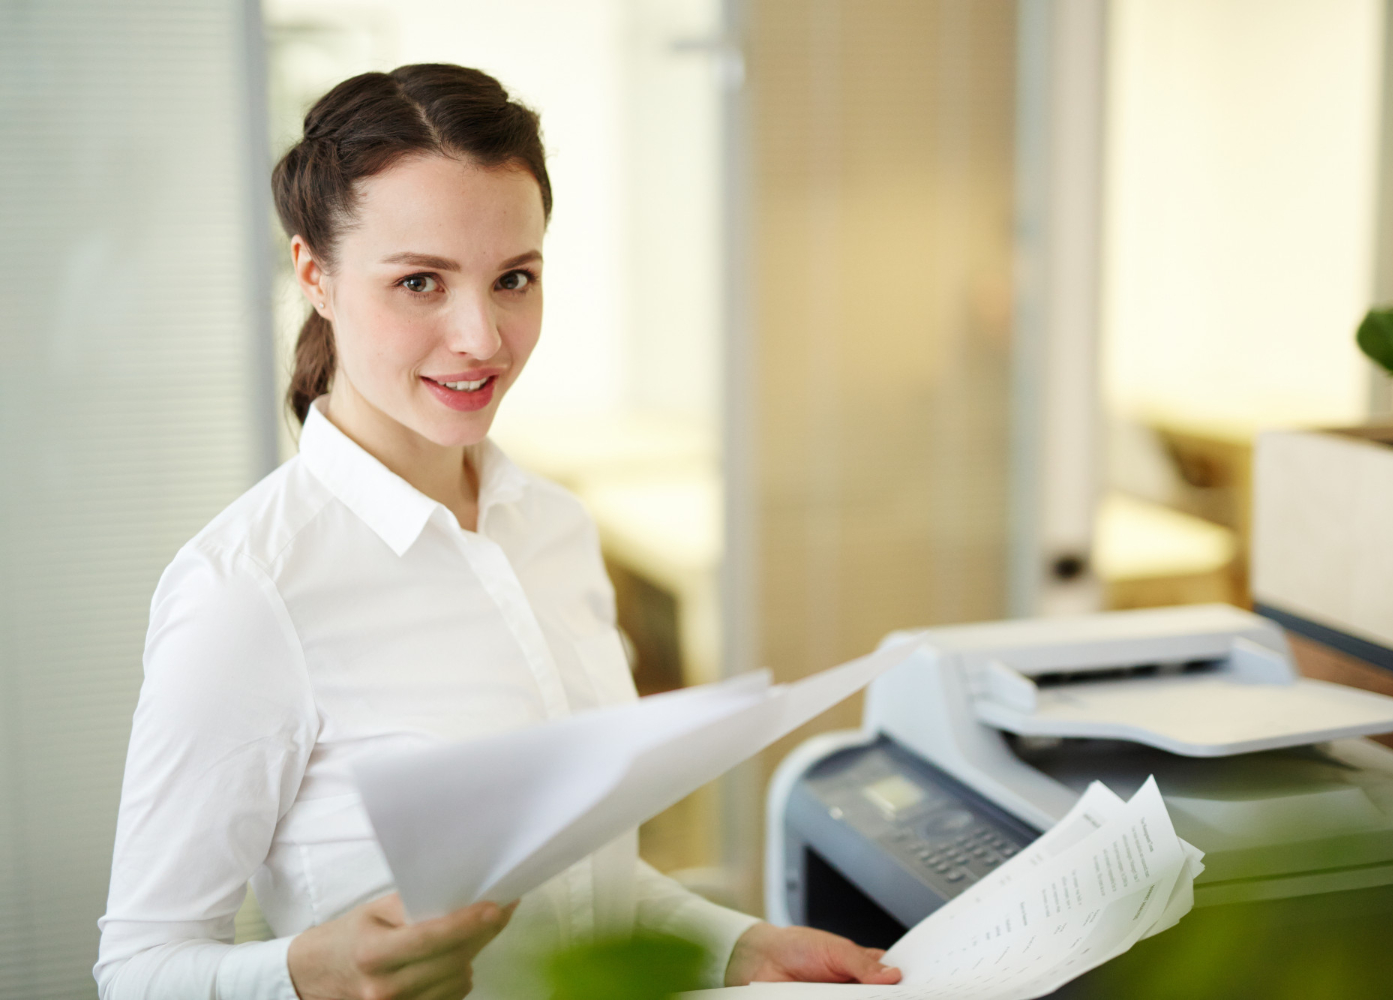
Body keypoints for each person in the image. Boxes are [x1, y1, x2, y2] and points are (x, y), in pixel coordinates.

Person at [94, 64, 902, 1000]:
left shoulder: (554, 529)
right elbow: (138, 970)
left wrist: (735, 946)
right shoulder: (247, 590)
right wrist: (310, 975)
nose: (481, 337)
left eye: (513, 278)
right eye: (420, 283)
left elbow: (580, 875)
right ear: (316, 275)